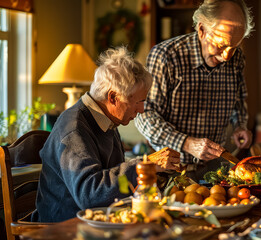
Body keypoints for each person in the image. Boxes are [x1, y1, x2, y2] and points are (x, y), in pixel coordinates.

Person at [32, 46, 180, 222]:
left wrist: (156, 172)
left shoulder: (105, 120)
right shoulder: (74, 128)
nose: (141, 109)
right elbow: (90, 195)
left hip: (98, 221)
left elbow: (114, 178)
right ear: (113, 98)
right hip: (65, 228)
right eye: (139, 102)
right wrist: (144, 166)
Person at [135, 0, 254, 180]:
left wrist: (240, 126)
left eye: (234, 47)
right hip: (171, 170)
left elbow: (238, 99)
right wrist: (187, 143)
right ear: (202, 30)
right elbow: (145, 116)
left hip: (215, 170)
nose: (226, 57)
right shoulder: (166, 56)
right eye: (221, 45)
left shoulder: (236, 59)